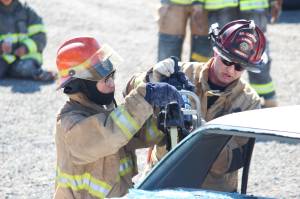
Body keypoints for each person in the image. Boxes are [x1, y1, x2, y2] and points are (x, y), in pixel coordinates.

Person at [125, 19, 265, 192]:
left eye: (240, 66)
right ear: (215, 51)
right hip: (161, 181)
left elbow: (235, 160)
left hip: (211, 191)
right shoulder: (183, 73)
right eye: (227, 61)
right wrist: (149, 79)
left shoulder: (249, 102)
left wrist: (203, 133)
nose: (231, 70)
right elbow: (129, 92)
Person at [53, 37, 183, 198]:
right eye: (104, 79)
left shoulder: (103, 113)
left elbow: (137, 135)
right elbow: (110, 134)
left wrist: (162, 120)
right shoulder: (70, 125)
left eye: (112, 76)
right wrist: (146, 95)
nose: (112, 84)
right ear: (79, 84)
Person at [204, 0, 283, 107]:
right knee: (221, 56)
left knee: (256, 58)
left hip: (252, 5)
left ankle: (265, 105)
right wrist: (197, 4)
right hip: (221, 6)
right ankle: (212, 105)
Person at [0, 0, 55, 81]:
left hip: (26, 58)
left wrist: (25, 48)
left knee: (25, 68)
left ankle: (39, 73)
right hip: (3, 58)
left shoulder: (27, 11)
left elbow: (40, 37)